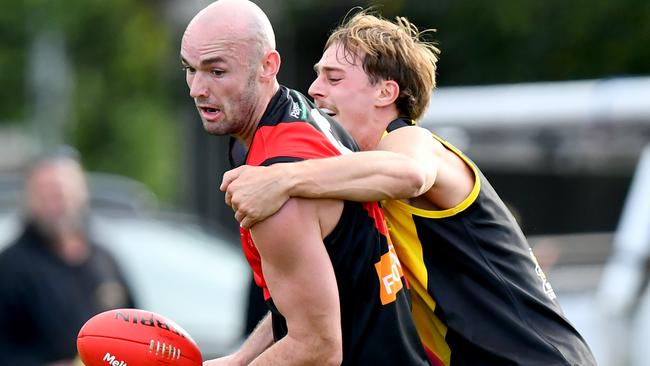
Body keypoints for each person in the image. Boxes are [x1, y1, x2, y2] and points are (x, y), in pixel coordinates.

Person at [220, 11, 597, 366]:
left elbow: (411, 173)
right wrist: (242, 358)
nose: (315, 89)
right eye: (317, 76)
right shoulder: (353, 179)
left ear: (386, 93)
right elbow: (313, 298)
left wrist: (283, 178)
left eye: (334, 78)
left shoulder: (412, 141)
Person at [180, 1, 429, 365]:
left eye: (217, 72)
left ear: (268, 66)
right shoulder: (297, 112)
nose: (197, 89)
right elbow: (305, 293)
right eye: (190, 70)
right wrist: (240, 358)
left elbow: (316, 348)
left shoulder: (273, 189)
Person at [0, 148, 136, 366]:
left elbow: (137, 331)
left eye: (65, 191)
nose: (58, 202)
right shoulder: (9, 267)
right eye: (47, 193)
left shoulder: (105, 260)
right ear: (30, 198)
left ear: (82, 192)